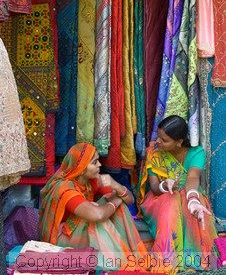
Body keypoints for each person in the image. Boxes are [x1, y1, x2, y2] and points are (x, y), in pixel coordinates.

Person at [39, 142, 148, 272]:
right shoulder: (64, 187)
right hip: (61, 240)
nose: (100, 165)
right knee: (96, 209)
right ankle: (116, 262)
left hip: (78, 231)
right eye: (95, 162)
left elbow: (129, 200)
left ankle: (124, 255)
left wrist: (115, 185)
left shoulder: (92, 180)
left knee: (117, 206)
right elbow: (97, 215)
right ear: (81, 167)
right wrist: (115, 201)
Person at [137, 115, 217, 273]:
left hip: (188, 194)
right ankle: (166, 260)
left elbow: (193, 177)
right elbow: (154, 188)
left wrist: (193, 200)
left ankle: (189, 260)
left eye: (164, 140)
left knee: (191, 201)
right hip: (160, 198)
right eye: (158, 136)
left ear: (179, 142)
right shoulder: (154, 152)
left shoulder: (196, 153)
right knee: (172, 199)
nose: (158, 142)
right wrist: (164, 185)